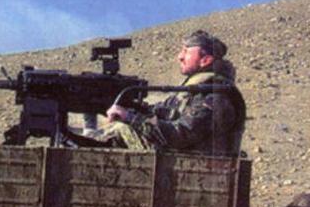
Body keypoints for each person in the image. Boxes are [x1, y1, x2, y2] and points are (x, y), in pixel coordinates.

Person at [101, 30, 245, 156]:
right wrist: (132, 108)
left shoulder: (215, 96)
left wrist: (131, 118)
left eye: (186, 51)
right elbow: (162, 110)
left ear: (205, 60)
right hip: (180, 159)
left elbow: (179, 135)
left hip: (188, 165)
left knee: (119, 130)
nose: (180, 57)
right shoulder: (196, 90)